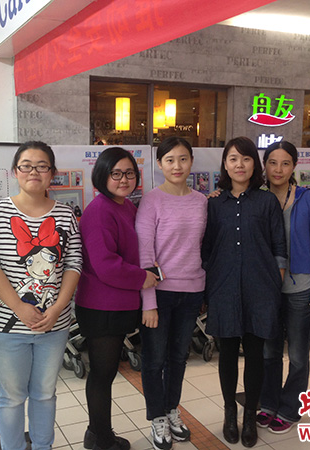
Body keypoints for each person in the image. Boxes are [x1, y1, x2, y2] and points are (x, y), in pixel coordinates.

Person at [0, 141, 82, 450]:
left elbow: (74, 263)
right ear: (15, 171)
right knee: (11, 397)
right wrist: (19, 308)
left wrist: (58, 308)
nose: (33, 172)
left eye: (41, 166)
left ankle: (42, 446)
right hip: (6, 326)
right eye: (26, 165)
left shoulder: (65, 215)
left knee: (45, 394)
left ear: (52, 173)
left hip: (54, 325)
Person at [201, 137, 286, 448]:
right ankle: (229, 412)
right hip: (223, 288)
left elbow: (279, 247)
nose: (240, 165)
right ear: (225, 164)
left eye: (246, 159)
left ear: (255, 165)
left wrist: (273, 284)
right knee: (226, 354)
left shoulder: (267, 202)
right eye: (233, 159)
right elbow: (206, 249)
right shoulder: (213, 204)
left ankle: (250, 414)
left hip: (260, 289)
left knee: (255, 355)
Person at [75, 147, 160, 450]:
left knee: (106, 373)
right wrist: (142, 277)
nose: (124, 179)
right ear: (103, 175)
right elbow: (106, 265)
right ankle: (101, 439)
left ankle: (96, 433)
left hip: (116, 304)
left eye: (129, 173)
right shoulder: (100, 211)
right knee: (102, 375)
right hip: (101, 306)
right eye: (116, 173)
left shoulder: (124, 206)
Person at [135, 137, 207, 450]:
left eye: (183, 159)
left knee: (178, 357)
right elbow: (144, 254)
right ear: (159, 164)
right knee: (154, 359)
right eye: (169, 160)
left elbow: (203, 246)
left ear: (191, 161)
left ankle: (171, 408)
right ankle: (157, 417)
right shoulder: (151, 201)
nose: (177, 166)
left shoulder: (201, 201)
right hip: (160, 294)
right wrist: (148, 303)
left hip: (191, 292)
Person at [258, 141, 310, 434]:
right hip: (268, 288)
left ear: (294, 166)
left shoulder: (306, 199)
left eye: (285, 163)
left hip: (301, 287)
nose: (278, 169)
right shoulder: (257, 197)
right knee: (269, 352)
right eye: (272, 163)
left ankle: (289, 408)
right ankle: (268, 403)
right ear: (264, 166)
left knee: (298, 355)